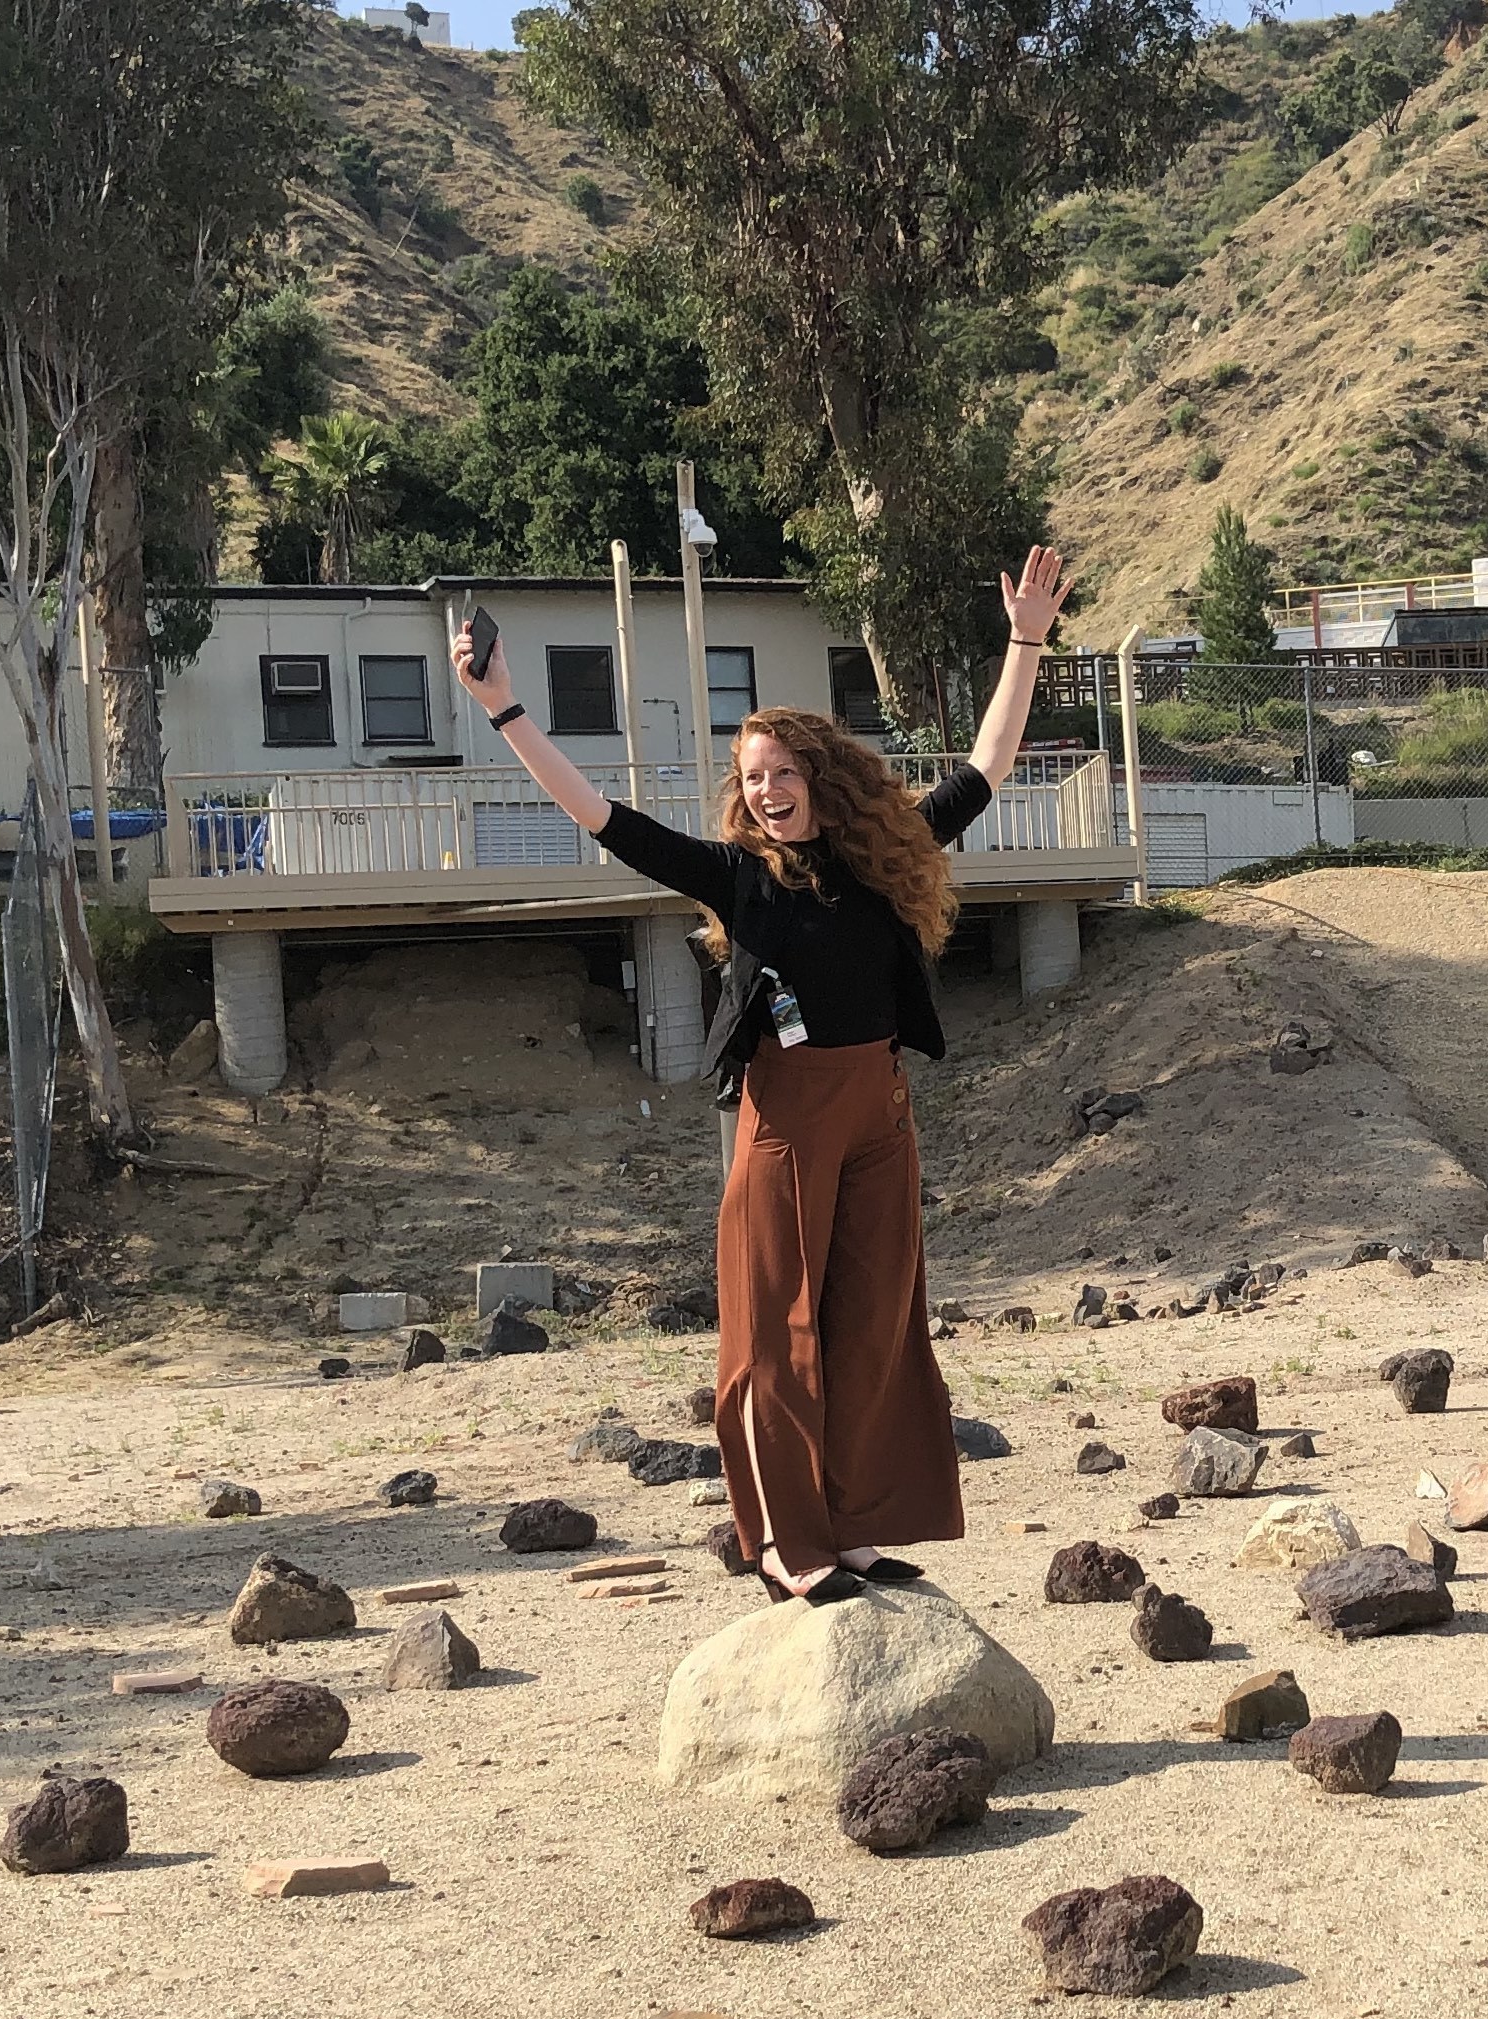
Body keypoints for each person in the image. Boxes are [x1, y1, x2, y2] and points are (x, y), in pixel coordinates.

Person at [451, 548, 1074, 1604]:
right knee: (778, 1331)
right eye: (751, 780)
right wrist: (505, 708)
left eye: (783, 773)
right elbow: (599, 815)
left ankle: (858, 1521)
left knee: (876, 1320)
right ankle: (786, 1542)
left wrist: (1023, 642)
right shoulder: (737, 877)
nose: (767, 792)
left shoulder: (886, 858)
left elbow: (992, 761)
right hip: (784, 1121)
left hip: (879, 1110)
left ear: (822, 779)